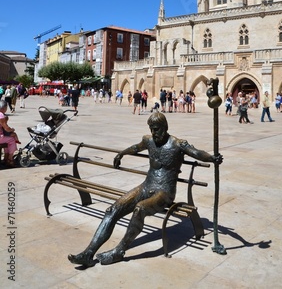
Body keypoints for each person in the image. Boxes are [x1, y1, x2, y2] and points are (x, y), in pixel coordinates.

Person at [68, 112, 223, 267]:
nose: (153, 133)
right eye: (151, 129)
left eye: (156, 129)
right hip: (146, 186)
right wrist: (121, 154)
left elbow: (196, 153)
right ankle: (88, 253)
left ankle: (119, 251)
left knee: (140, 209)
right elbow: (136, 147)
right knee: (112, 210)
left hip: (164, 192)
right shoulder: (148, 140)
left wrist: (212, 158)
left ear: (165, 127)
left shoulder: (178, 144)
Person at [0, 100, 19, 166]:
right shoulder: (1, 115)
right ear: (4, 108)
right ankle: (10, 159)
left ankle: (6, 157)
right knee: (12, 140)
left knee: (7, 140)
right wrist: (12, 130)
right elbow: (6, 128)